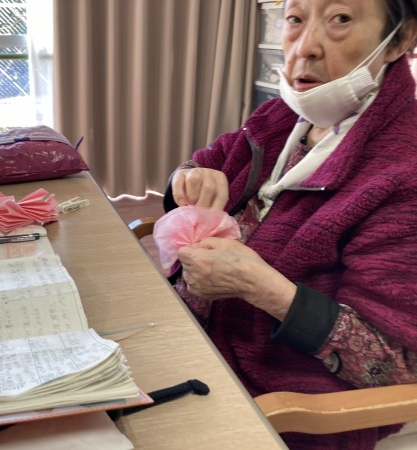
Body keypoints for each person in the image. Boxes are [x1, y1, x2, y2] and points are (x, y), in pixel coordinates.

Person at [163, 1, 417, 449]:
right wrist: (188, 177)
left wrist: (264, 288)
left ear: (401, 39)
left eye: (340, 19)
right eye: (295, 20)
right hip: (191, 339)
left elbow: (397, 368)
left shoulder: (403, 174)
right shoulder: (281, 119)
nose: (304, 48)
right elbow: (206, 160)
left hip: (278, 404)